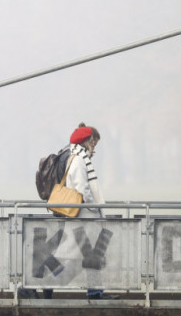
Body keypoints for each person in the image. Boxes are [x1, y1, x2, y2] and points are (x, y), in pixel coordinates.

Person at [42, 123, 119, 300]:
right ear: (88, 140)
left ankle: (93, 292)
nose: (95, 147)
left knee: (88, 257)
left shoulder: (78, 156)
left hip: (83, 217)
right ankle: (42, 283)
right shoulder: (78, 159)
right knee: (78, 257)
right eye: (94, 142)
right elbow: (82, 188)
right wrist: (94, 206)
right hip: (83, 218)